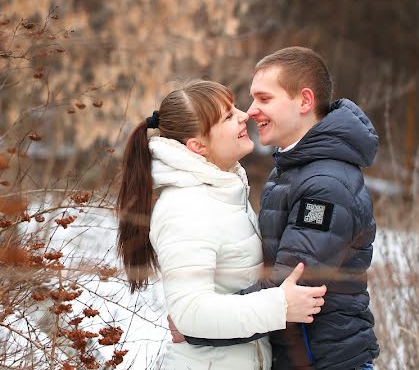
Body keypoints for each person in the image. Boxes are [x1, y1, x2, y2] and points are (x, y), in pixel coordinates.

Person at [175, 47, 379, 370]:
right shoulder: (290, 169)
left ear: (305, 101)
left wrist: (199, 325)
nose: (251, 110)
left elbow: (289, 285)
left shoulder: (326, 184)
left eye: (264, 99)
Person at [117, 79, 327, 370]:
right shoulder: (186, 207)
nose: (245, 115)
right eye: (228, 116)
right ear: (198, 145)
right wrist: (279, 305)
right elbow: (191, 312)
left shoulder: (223, 191)